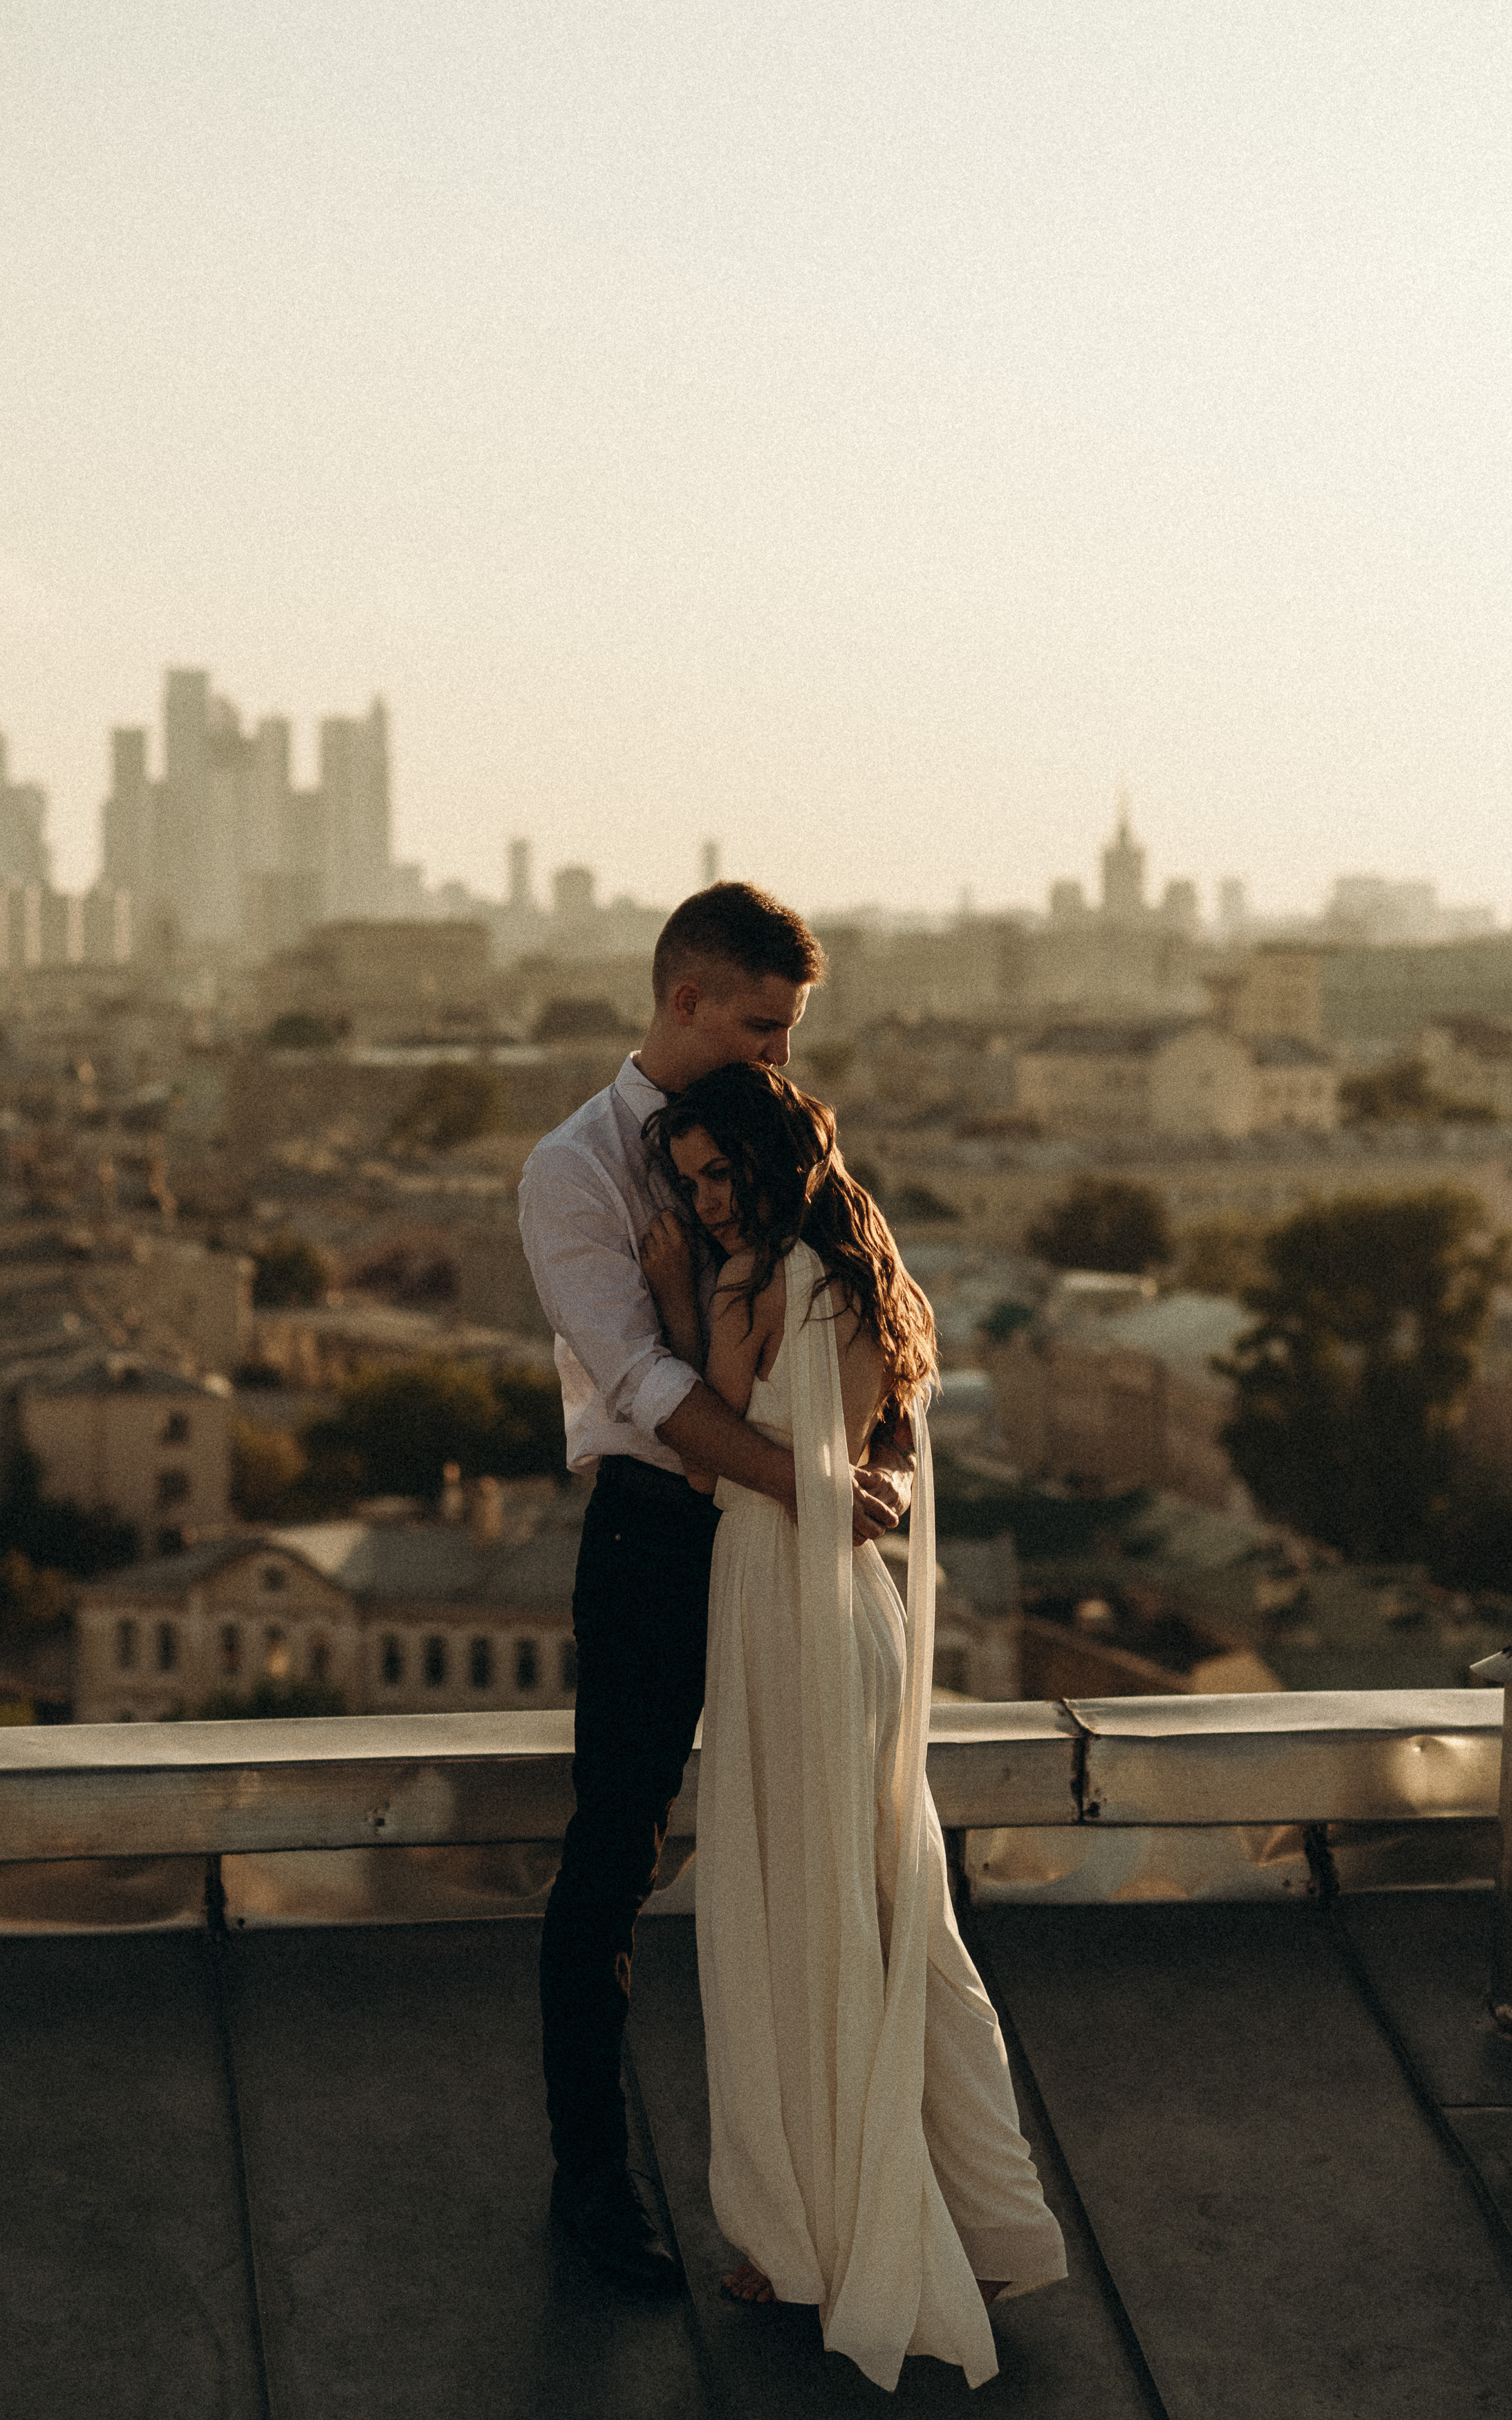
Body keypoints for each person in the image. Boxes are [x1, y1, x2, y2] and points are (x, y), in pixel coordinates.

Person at [640, 1064, 1067, 2392]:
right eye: (692, 1182)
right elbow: (863, 1463)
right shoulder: (867, 1277)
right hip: (852, 1617)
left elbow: (710, 1457)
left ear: (769, 1160)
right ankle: (984, 2219)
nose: (707, 1203)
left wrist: (675, 1290)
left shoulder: (751, 1282)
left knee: (792, 1915)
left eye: (720, 1176)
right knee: (890, 1910)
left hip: (779, 1611)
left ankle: (819, 2241)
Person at [518, 883, 912, 2295]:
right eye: (760, 1024)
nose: (778, 1056)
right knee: (616, 1849)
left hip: (782, 1539)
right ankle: (591, 2182)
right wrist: (801, 1478)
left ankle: (823, 2184)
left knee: (809, 1842)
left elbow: (860, 1315)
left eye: (789, 1030)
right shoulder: (574, 1168)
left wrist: (856, 1471)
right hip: (650, 1538)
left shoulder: (777, 1137)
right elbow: (636, 1382)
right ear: (684, 1001)